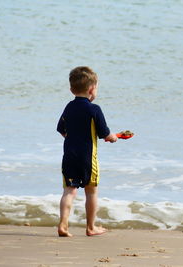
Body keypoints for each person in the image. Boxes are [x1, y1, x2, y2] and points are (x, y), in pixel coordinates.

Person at [56, 66, 117, 237]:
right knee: (91, 191)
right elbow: (105, 133)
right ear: (92, 89)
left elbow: (61, 129)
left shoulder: (69, 107)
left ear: (71, 89)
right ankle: (91, 227)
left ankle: (63, 225)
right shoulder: (94, 109)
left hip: (68, 156)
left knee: (69, 190)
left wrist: (73, 138)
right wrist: (113, 137)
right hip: (87, 158)